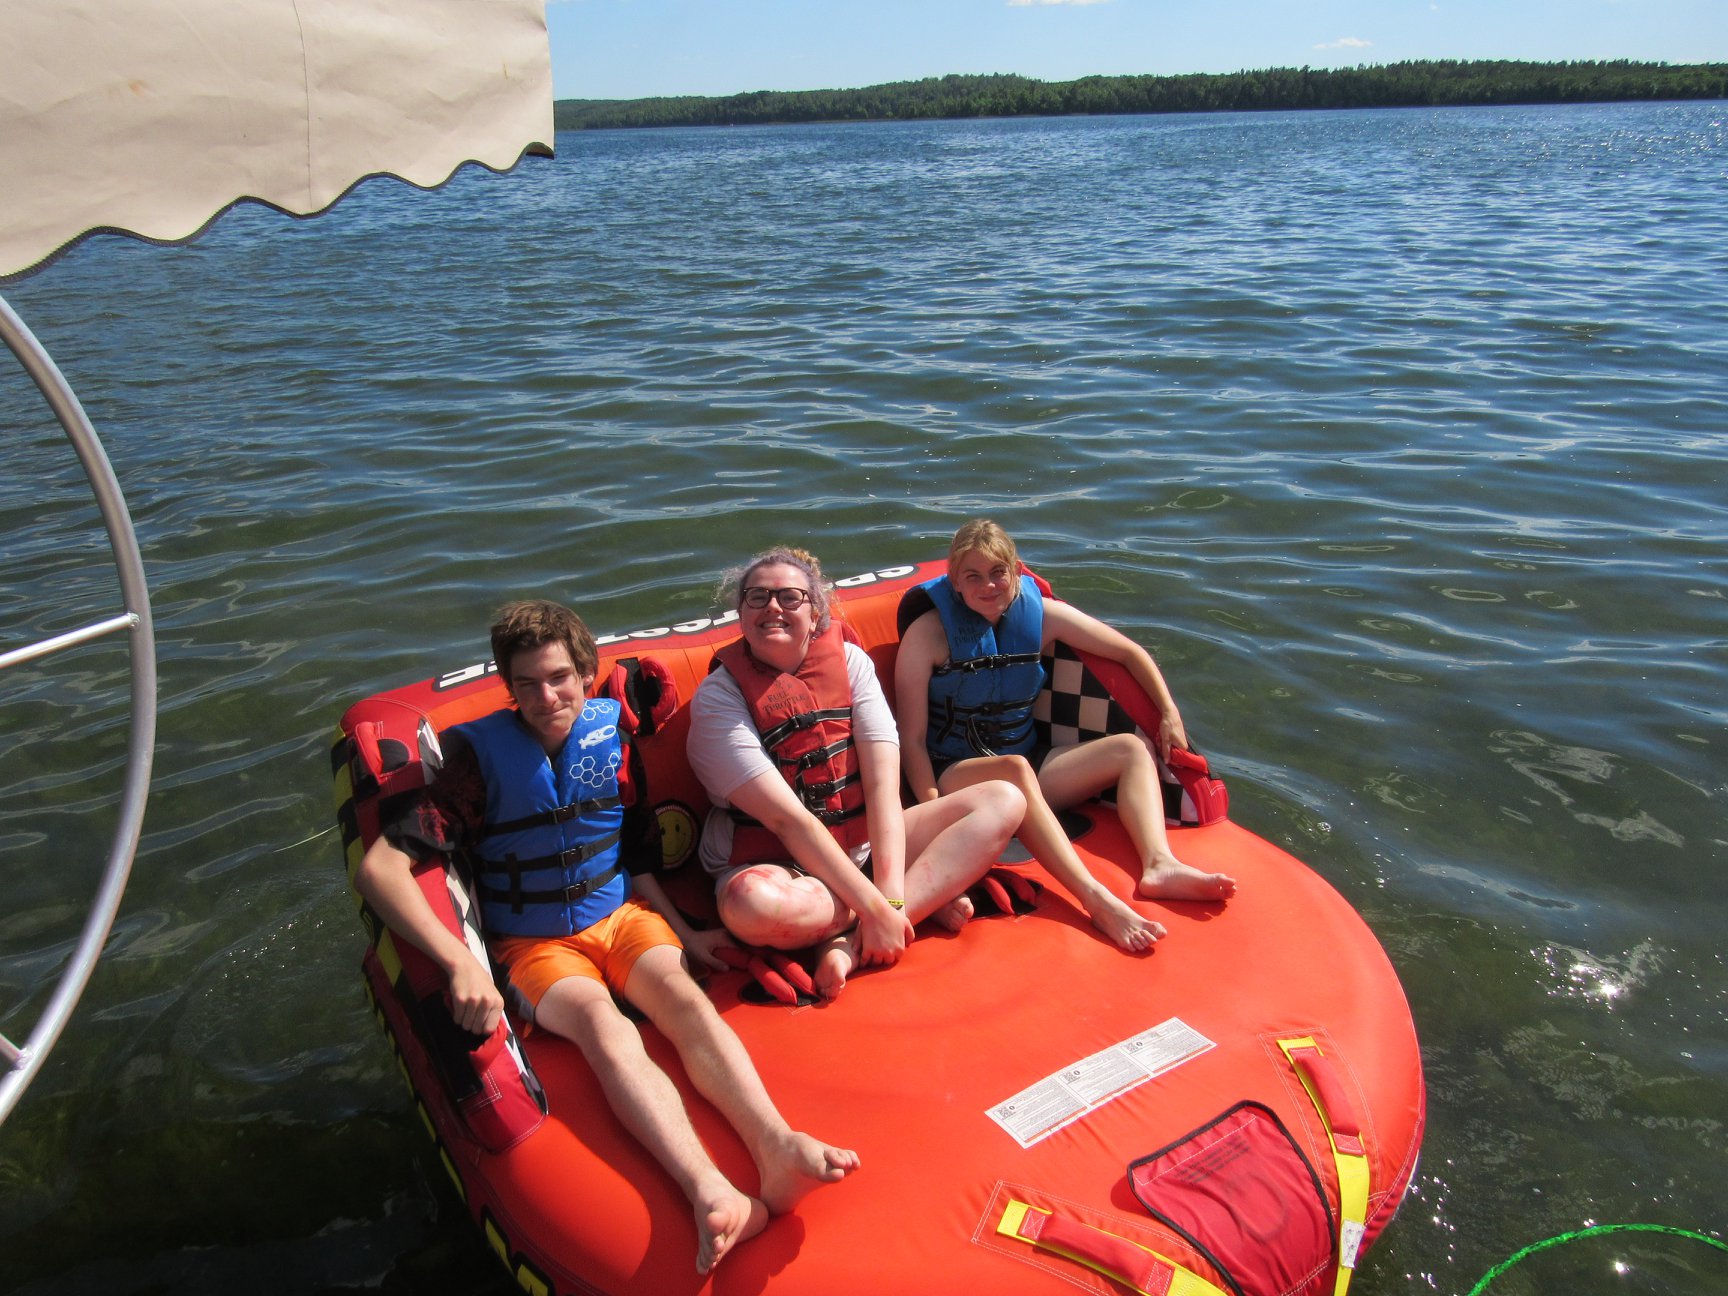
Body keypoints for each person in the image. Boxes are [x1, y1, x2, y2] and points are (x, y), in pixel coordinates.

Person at [353, 600, 858, 1277]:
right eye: (527, 684)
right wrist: (458, 964)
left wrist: (684, 931)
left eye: (559, 678)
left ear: (586, 674)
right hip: (532, 945)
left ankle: (777, 1145)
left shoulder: (611, 737)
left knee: (684, 1000)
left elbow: (636, 847)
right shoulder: (476, 764)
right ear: (509, 686)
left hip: (620, 917)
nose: (546, 698)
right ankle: (710, 1190)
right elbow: (380, 869)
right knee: (603, 1025)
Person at [687, 547, 1026, 1002]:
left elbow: (884, 788)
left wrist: (890, 903)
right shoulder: (718, 698)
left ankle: (849, 941)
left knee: (1004, 799)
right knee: (751, 905)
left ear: (815, 613)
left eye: (790, 597)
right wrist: (873, 907)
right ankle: (916, 902)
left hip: (861, 850)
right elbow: (789, 821)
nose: (772, 607)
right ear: (741, 613)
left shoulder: (851, 663)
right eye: (757, 597)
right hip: (780, 867)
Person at [895, 520, 1236, 942]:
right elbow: (912, 741)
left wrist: (1169, 712)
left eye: (998, 572)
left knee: (1130, 749)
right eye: (973, 576)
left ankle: (1159, 865)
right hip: (955, 776)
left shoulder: (1042, 618)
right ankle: (1095, 898)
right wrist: (935, 813)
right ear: (955, 582)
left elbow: (1128, 653)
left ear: (1016, 571)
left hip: (1029, 766)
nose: (988, 586)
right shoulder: (927, 636)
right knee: (1015, 770)